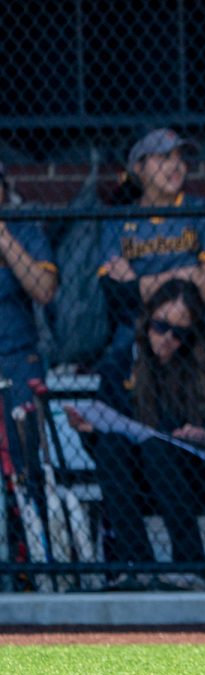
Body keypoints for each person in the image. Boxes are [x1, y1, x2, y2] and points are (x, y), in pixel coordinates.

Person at [66, 279, 205, 590]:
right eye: (160, 326)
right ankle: (135, 564)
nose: (167, 338)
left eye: (179, 332)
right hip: (140, 474)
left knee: (158, 447)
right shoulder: (121, 361)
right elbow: (103, 435)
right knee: (113, 446)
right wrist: (91, 431)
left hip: (196, 474)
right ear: (147, 319)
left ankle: (191, 564)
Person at [97, 127, 205, 344]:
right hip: (136, 329)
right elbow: (117, 296)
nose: (176, 166)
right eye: (165, 157)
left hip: (194, 328)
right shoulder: (118, 221)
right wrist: (188, 274)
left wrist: (138, 283)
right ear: (139, 168)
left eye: (180, 158)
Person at [0, 159, 59, 473]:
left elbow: (44, 289)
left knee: (25, 455)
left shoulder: (24, 230)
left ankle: (28, 517)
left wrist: (3, 237)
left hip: (17, 358)